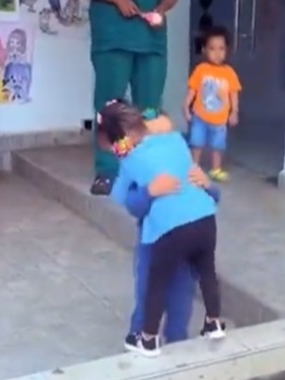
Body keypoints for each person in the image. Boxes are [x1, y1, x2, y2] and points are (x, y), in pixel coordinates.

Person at [98, 100, 225, 356]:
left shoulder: (173, 145)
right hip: (155, 241)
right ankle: (142, 339)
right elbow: (130, 203)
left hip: (179, 237)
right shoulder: (134, 161)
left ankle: (173, 343)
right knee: (149, 292)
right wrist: (150, 192)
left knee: (181, 298)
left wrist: (208, 183)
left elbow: (209, 193)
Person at [89, 0, 178, 196]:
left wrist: (161, 10)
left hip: (151, 38)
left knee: (150, 109)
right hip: (113, 33)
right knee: (110, 108)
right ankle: (108, 171)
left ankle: (146, 169)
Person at [184, 25, 241, 181]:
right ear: (204, 50)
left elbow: (233, 93)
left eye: (221, 49)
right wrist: (186, 107)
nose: (217, 53)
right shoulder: (201, 69)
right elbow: (193, 90)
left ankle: (216, 169)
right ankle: (194, 166)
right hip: (200, 116)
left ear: (227, 50)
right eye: (212, 48)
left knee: (218, 146)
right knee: (196, 142)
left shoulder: (229, 73)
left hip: (220, 120)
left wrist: (234, 112)